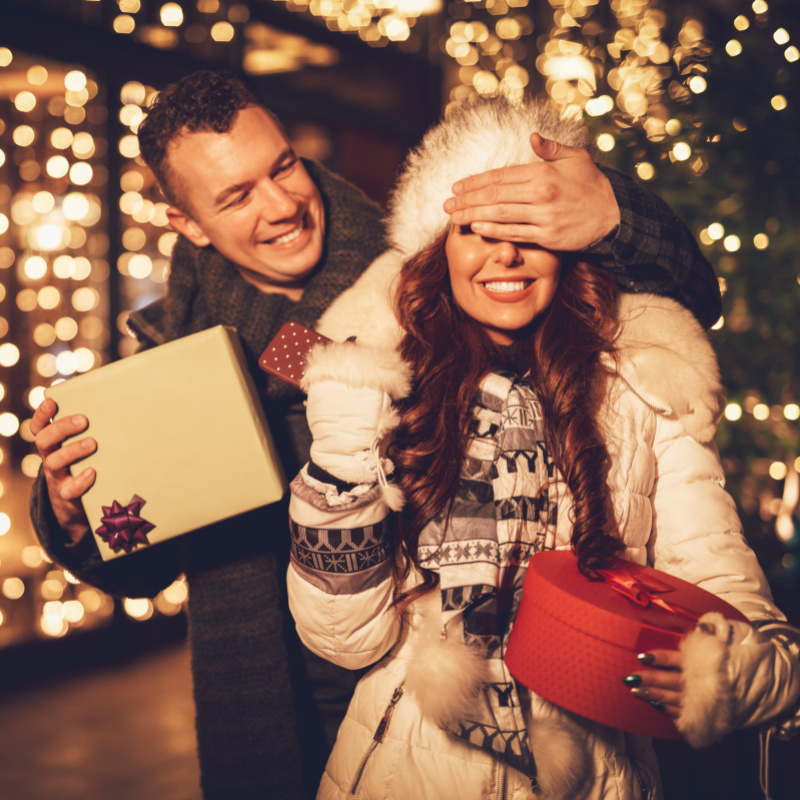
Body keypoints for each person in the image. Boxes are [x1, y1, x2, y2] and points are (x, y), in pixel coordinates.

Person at [30, 70, 722, 799]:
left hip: (424, 695)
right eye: (236, 196)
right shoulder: (175, 349)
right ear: (187, 224)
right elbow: (146, 562)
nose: (281, 205)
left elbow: (683, 292)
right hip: (263, 699)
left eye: (283, 166)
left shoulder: (416, 262)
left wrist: (614, 210)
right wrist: (75, 514)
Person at [286, 94, 800, 799]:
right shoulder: (381, 387)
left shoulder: (642, 389)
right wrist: (343, 451)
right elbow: (344, 638)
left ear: (570, 245)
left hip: (596, 776)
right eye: (475, 229)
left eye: (527, 229)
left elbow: (741, 609)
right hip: (404, 768)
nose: (505, 253)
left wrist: (734, 671)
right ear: (439, 249)